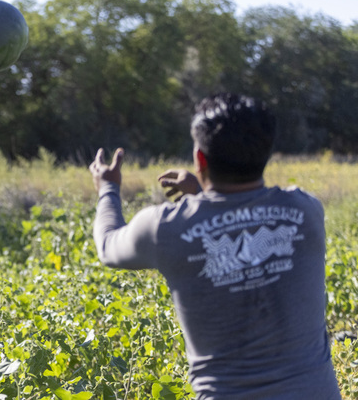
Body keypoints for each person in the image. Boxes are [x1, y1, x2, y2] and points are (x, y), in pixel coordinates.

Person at [89, 93, 341, 399]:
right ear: (266, 152)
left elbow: (107, 244)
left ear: (200, 158)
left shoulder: (165, 228)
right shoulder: (306, 211)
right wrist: (198, 193)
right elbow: (240, 218)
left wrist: (108, 188)